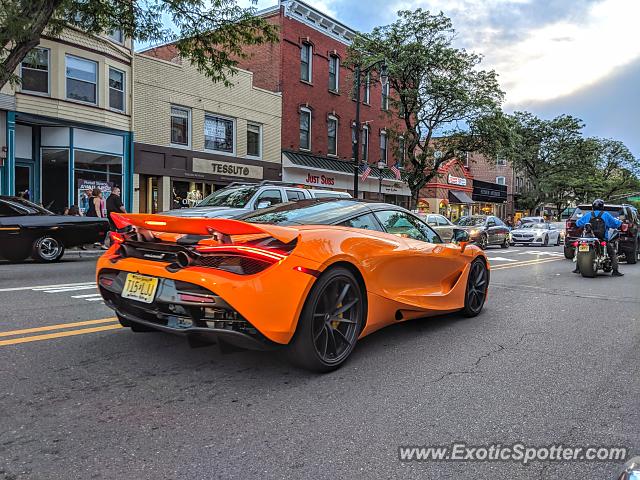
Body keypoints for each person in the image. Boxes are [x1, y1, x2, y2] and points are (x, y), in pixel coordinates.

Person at [574, 198, 624, 276]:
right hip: (602, 238)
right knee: (612, 253)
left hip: (589, 238)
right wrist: (620, 222)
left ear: (593, 207)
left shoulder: (588, 214)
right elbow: (615, 223)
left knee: (581, 249)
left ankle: (577, 268)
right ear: (602, 207)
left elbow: (578, 223)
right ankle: (615, 271)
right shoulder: (605, 215)